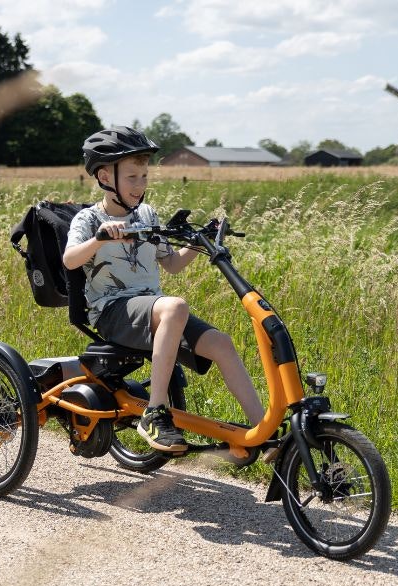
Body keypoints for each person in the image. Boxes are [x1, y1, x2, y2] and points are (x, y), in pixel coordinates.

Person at [63, 126, 264, 453]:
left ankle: (263, 433)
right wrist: (99, 238)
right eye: (132, 177)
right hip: (114, 313)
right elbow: (70, 261)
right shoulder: (88, 219)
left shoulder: (146, 215)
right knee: (175, 307)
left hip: (154, 311)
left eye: (144, 176)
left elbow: (170, 264)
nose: (140, 185)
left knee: (221, 344)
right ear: (104, 176)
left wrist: (203, 243)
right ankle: (154, 413)